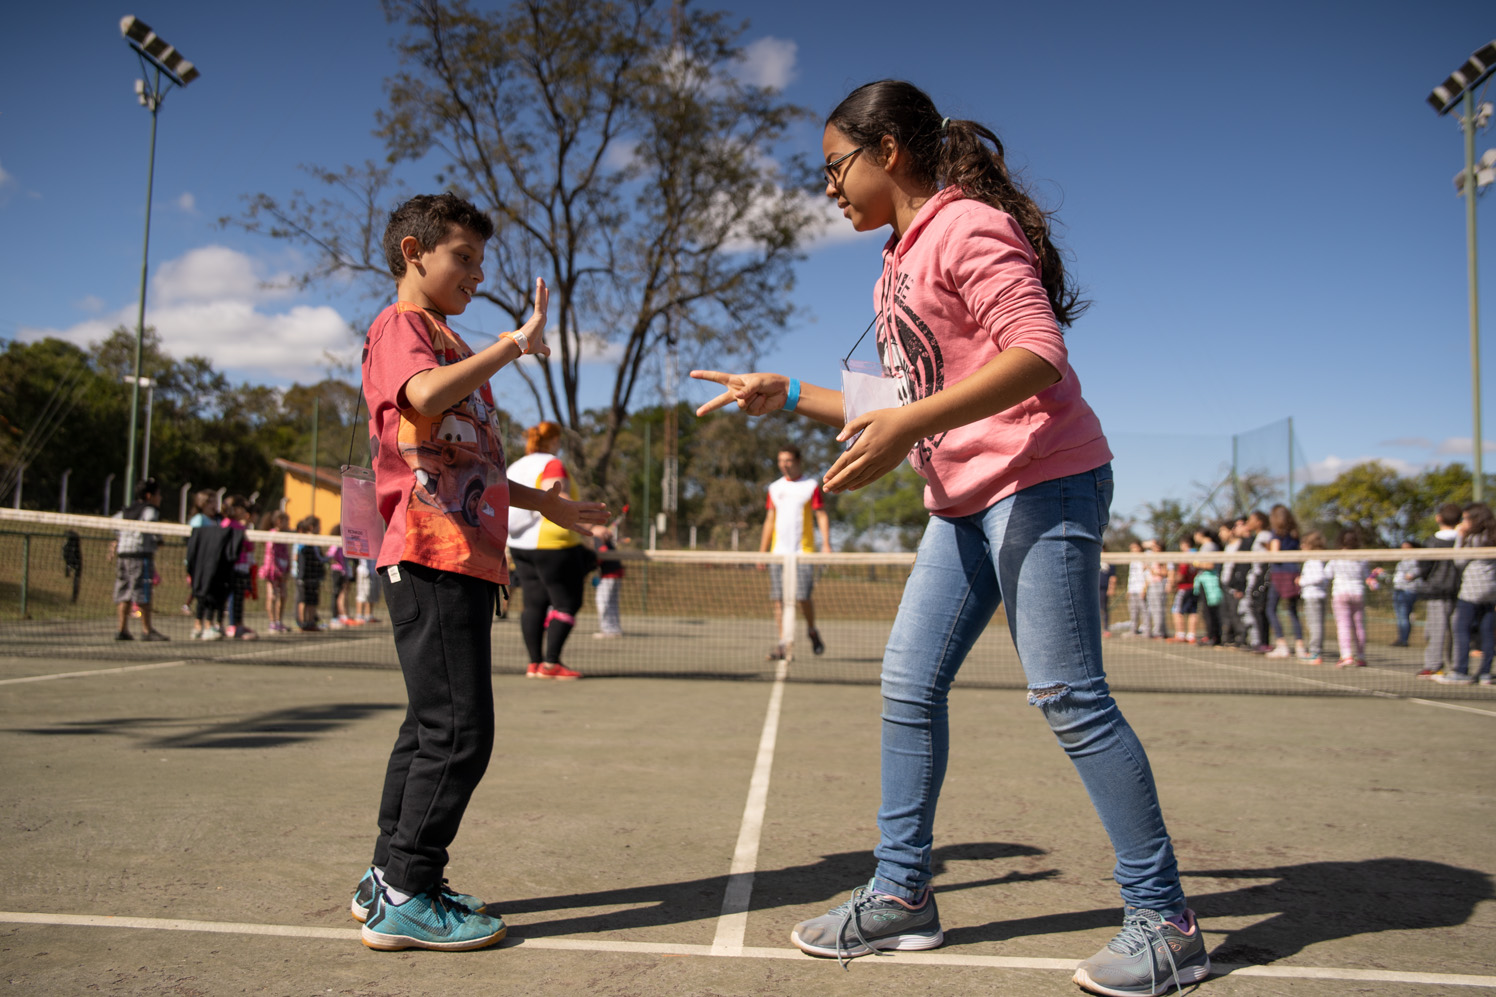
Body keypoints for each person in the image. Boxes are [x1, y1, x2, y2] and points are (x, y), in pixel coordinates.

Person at [692, 80, 1205, 996]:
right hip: (962, 499)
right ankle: (903, 895)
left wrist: (907, 425)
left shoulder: (967, 226)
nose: (828, 188)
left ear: (888, 151)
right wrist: (789, 393)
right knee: (907, 681)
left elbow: (1038, 352)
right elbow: (900, 399)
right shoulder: (895, 260)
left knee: (1068, 695)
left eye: (835, 168)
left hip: (1042, 478)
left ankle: (1167, 922)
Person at [354, 192, 606, 952]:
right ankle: (409, 890)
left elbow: (472, 459)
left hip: (460, 555)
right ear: (414, 252)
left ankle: (386, 876)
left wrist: (551, 504)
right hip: (429, 552)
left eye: (480, 260)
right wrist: (515, 345)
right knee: (461, 732)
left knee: (429, 726)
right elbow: (423, 396)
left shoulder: (448, 341)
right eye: (462, 257)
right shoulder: (402, 328)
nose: (476, 273)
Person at [507, 422, 596, 679]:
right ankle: (551, 663)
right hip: (553, 543)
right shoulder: (553, 464)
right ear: (554, 441)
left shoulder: (515, 466)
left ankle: (534, 664)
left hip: (519, 544)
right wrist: (591, 524)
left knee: (533, 604)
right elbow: (559, 498)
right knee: (567, 603)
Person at [759, 446, 833, 660]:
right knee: (778, 599)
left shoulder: (811, 486)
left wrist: (826, 544)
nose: (784, 465)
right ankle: (784, 643)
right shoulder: (774, 488)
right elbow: (769, 520)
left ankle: (812, 630)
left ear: (798, 461)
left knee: (802, 597)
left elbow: (821, 515)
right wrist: (762, 552)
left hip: (804, 553)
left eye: (788, 460)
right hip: (778, 554)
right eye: (780, 460)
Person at [1439, 502, 1496, 685]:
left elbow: (1459, 561)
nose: (1462, 523)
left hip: (1471, 592)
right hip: (1491, 592)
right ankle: (1485, 673)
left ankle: (1461, 670)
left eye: (1465, 519)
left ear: (1475, 519)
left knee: (1460, 628)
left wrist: (1460, 537)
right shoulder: (1492, 537)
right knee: (1488, 632)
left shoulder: (1473, 539)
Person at [112, 477, 168, 641]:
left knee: (124, 591)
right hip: (140, 555)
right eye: (158, 494)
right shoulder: (150, 510)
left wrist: (123, 537)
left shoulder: (126, 510)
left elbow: (114, 522)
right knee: (143, 592)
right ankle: (147, 630)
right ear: (149, 496)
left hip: (123, 554)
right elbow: (151, 524)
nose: (160, 498)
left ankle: (122, 629)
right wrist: (158, 539)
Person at [1418, 503, 1463, 678]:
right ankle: (1455, 666)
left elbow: (1424, 567)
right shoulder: (1462, 540)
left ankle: (1433, 665)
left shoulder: (1432, 542)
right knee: (1455, 631)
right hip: (1457, 592)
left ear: (1439, 518)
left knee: (1436, 631)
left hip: (1439, 592)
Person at [1326, 528, 1376, 668]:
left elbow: (1327, 574)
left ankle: (1346, 656)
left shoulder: (1336, 557)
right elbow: (1367, 576)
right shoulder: (1361, 558)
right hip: (1357, 593)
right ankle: (1361, 656)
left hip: (1341, 594)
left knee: (1343, 625)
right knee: (1359, 626)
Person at [1265, 504, 1305, 659]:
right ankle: (1300, 646)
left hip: (1280, 574)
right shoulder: (1294, 534)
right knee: (1293, 611)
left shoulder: (1276, 534)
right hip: (1294, 573)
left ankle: (1281, 644)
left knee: (1271, 609)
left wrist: (1268, 549)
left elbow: (1275, 554)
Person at [221, 495, 257, 640]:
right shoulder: (229, 525)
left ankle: (239, 623)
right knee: (233, 596)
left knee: (239, 596)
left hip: (242, 566)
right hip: (232, 566)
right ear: (235, 509)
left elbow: (250, 546)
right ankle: (232, 625)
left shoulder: (239, 526)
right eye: (242, 508)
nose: (244, 512)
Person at [258, 509, 293, 634]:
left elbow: (286, 553)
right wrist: (275, 569)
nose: (288, 524)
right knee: (272, 596)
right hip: (272, 571)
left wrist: (287, 569)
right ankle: (272, 622)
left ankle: (279, 621)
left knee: (283, 595)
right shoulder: (272, 534)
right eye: (286, 521)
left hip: (283, 570)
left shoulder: (284, 535)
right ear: (279, 521)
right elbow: (270, 554)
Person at [1298, 531, 1329, 665]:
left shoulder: (1314, 559)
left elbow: (1320, 577)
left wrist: (1301, 581)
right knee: (1314, 625)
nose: (1301, 547)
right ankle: (1315, 651)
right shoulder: (1316, 559)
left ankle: (1315, 652)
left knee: (1315, 625)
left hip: (1313, 596)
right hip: (1315, 595)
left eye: (1304, 544)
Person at [590, 524, 624, 639]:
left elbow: (601, 553)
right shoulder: (606, 539)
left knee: (603, 602)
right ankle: (614, 629)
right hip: (615, 574)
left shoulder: (597, 537)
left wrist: (592, 565)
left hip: (609, 575)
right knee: (612, 603)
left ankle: (608, 630)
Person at [295, 516, 325, 632]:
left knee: (312, 601)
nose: (320, 528)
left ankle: (311, 622)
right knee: (303, 600)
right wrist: (301, 576)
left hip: (314, 577)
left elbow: (320, 558)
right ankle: (302, 623)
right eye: (318, 526)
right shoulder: (303, 541)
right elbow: (299, 557)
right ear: (311, 527)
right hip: (304, 577)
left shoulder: (316, 542)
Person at [1391, 540, 1422, 648]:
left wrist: (1409, 576)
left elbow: (1413, 574)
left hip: (1408, 590)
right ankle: (1401, 638)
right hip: (1398, 589)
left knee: (1404, 615)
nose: (1404, 549)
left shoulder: (1416, 561)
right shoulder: (1402, 561)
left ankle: (1404, 640)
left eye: (1407, 547)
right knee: (1399, 616)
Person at [1124, 541, 1148, 636]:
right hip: (1133, 590)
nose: (1132, 550)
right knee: (1133, 611)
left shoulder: (1145, 557)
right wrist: (1128, 590)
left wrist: (1144, 589)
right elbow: (1131, 576)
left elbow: (1146, 575)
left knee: (1144, 611)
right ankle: (1133, 630)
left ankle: (1146, 630)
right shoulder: (1132, 561)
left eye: (1134, 547)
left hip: (1141, 589)